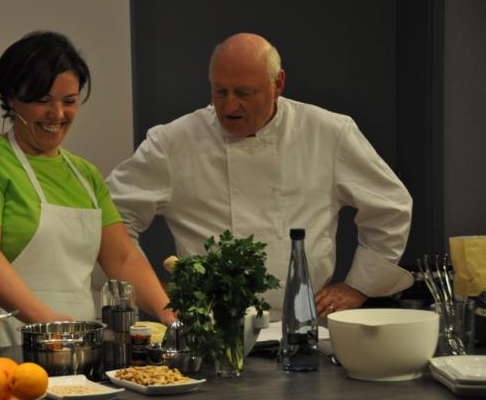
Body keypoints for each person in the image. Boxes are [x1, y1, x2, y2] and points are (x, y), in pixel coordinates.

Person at [106, 32, 413, 320]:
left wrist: (358, 286)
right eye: (220, 91)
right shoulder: (173, 142)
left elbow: (391, 206)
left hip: (303, 322)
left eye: (244, 92)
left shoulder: (328, 133)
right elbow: (110, 218)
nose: (229, 105)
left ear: (278, 84)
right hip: (212, 325)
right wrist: (156, 294)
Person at [0, 31, 175, 347]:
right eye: (43, 101)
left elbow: (123, 259)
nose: (57, 114)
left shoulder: (85, 176)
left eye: (69, 101)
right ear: (11, 98)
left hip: (77, 348)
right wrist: (47, 322)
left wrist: (170, 313)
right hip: (2, 346)